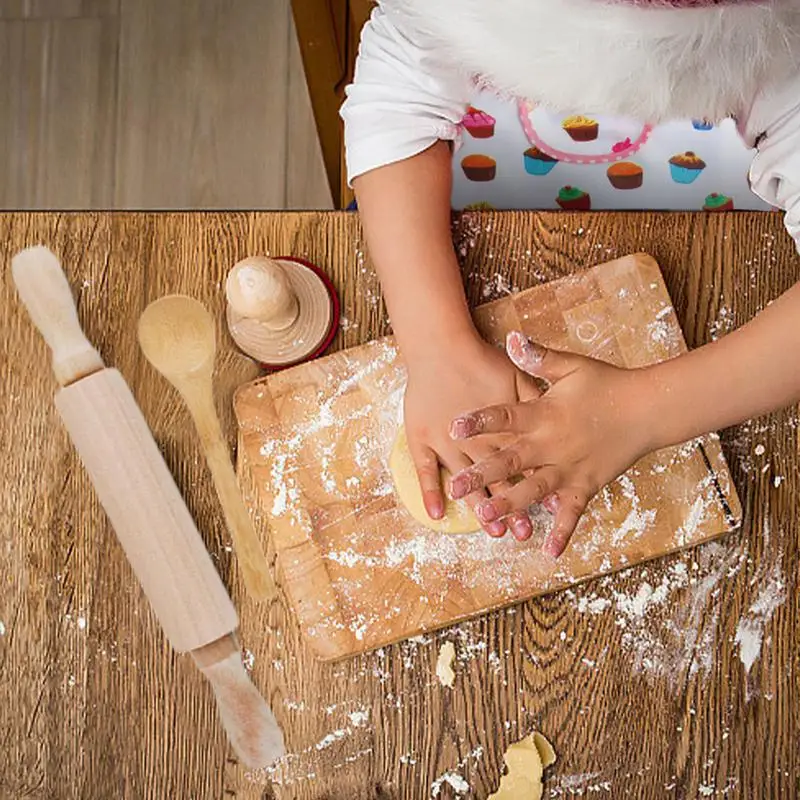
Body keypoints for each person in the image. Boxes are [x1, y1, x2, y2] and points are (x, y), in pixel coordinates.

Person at [340, 0, 800, 558]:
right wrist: (435, 345)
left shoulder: (776, 42)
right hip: (484, 202)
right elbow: (397, 91)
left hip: (709, 228)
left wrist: (642, 412)